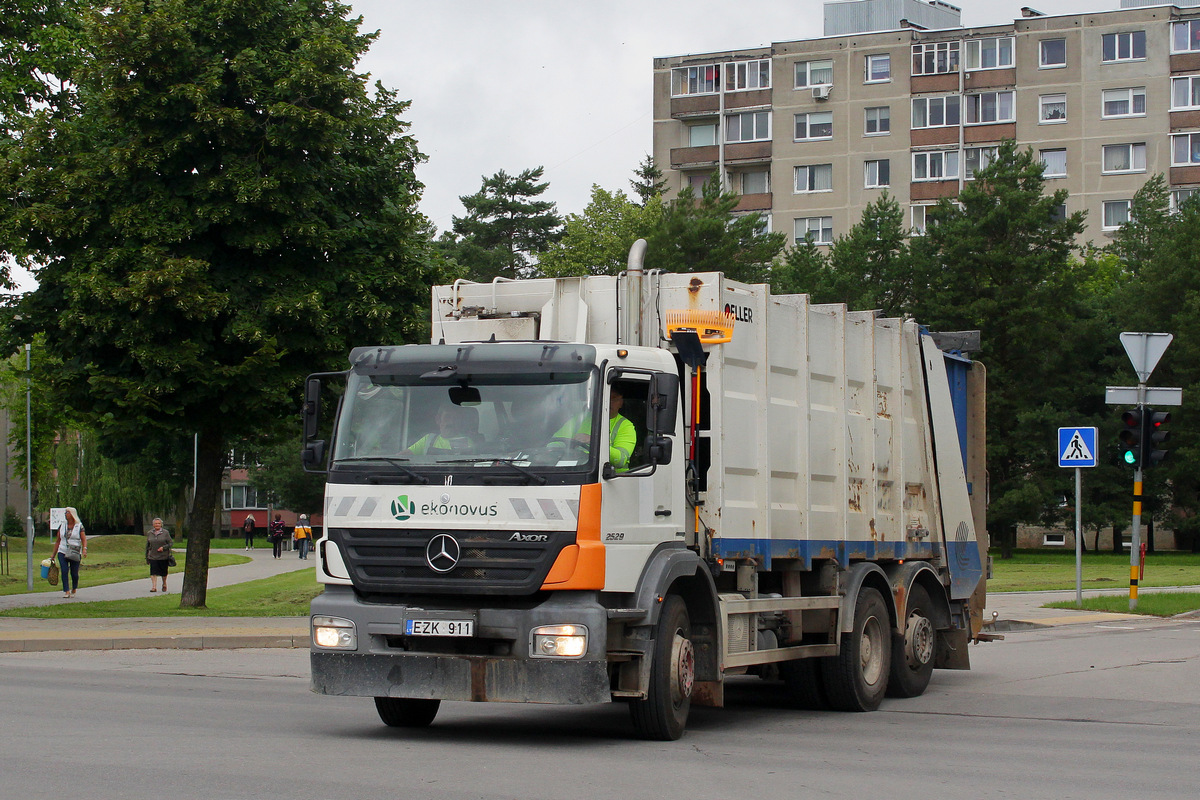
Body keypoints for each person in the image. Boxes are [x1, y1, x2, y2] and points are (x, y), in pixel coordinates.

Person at [553, 385, 636, 472]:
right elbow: (555, 442)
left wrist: (593, 441)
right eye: (605, 397)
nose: (608, 401)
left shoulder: (626, 426)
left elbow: (621, 460)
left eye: (614, 399)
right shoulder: (579, 419)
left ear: (621, 403)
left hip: (613, 479)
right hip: (576, 471)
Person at [405, 405, 480, 456]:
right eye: (447, 417)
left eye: (455, 418)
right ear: (438, 420)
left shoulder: (467, 442)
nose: (451, 422)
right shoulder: (428, 440)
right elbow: (401, 458)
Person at [53, 507, 87, 599]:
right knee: (64, 570)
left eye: (67, 512)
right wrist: (53, 555)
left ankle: (74, 588)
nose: (65, 514)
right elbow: (58, 540)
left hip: (74, 551)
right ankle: (66, 590)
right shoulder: (62, 526)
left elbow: (83, 539)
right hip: (63, 550)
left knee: (74, 573)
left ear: (72, 514)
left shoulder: (79, 526)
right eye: (65, 512)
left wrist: (84, 549)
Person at [145, 517, 173, 593]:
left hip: (163, 556)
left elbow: (170, 543)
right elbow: (147, 545)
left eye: (159, 523)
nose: (157, 525)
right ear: (153, 525)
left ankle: (164, 583)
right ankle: (154, 587)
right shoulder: (150, 533)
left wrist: (163, 548)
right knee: (153, 572)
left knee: (163, 572)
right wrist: (147, 556)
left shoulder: (165, 533)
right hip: (153, 556)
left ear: (161, 525)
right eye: (156, 523)